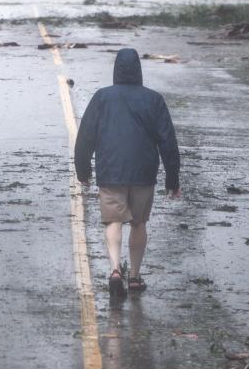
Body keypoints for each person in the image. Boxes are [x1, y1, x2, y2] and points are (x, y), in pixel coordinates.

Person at [74, 48, 180, 298]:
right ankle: (134, 276)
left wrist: (83, 169)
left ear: (116, 70)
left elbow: (85, 137)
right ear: (139, 70)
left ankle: (114, 270)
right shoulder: (154, 100)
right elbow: (168, 142)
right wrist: (172, 178)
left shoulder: (102, 97)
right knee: (139, 222)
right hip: (144, 171)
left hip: (111, 170)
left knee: (113, 220)